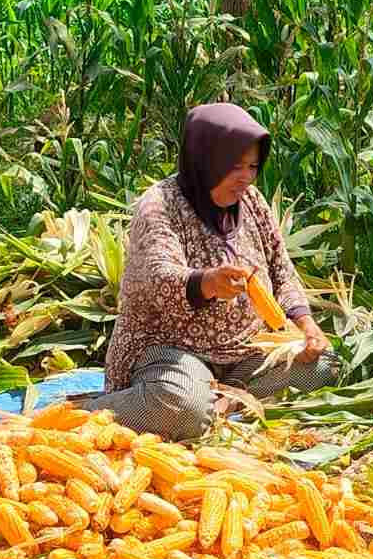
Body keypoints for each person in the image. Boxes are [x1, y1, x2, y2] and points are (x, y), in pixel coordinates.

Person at [86, 102, 338, 439]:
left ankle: (226, 397)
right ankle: (87, 412)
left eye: (252, 166)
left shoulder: (252, 202)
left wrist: (306, 325)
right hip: (170, 352)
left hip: (244, 355)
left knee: (323, 366)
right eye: (234, 166)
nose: (246, 177)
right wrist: (206, 283)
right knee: (182, 408)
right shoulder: (160, 205)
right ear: (205, 160)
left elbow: (281, 270)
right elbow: (158, 276)